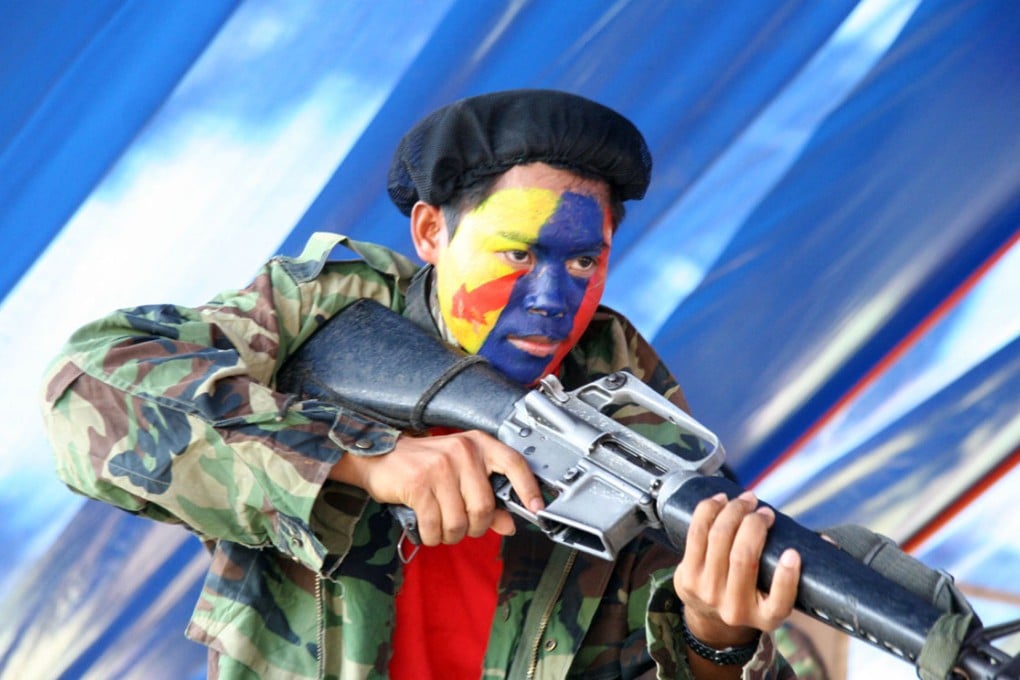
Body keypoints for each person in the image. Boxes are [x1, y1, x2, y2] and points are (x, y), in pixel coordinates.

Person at [40, 89, 817, 679]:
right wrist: (362, 459)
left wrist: (715, 642)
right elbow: (87, 387)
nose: (554, 297)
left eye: (585, 260)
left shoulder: (626, 405)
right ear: (430, 232)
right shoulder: (326, 313)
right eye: (519, 254)